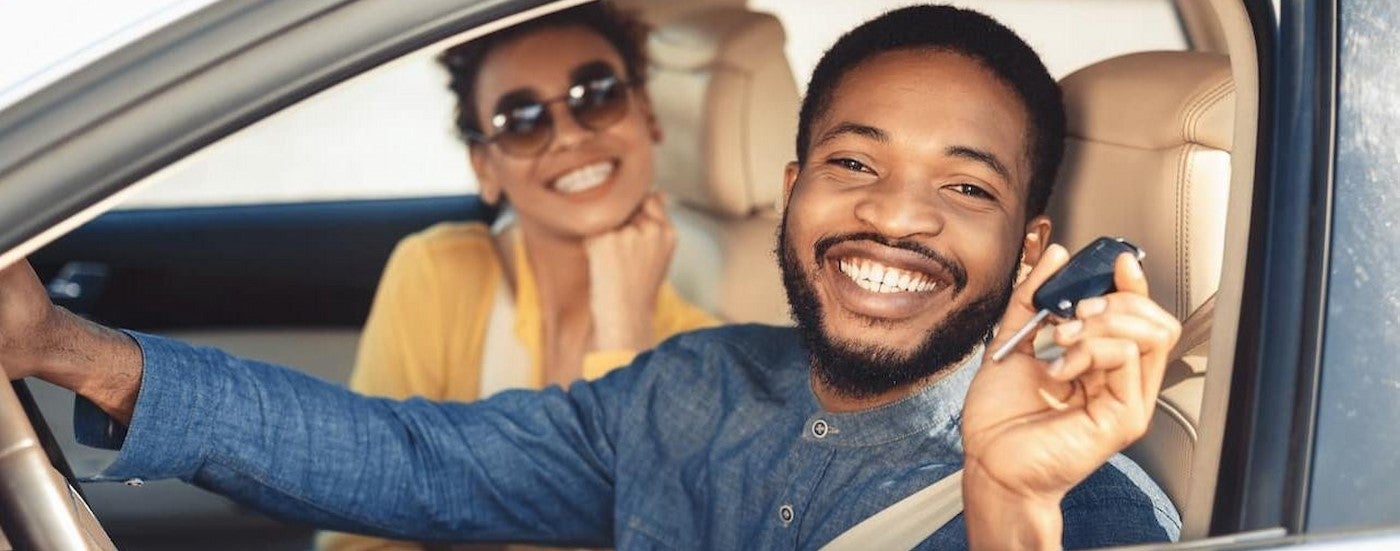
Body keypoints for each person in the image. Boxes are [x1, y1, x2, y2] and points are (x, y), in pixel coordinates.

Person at [0, 5, 1183, 549]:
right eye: (852, 164)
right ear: (792, 190)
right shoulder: (690, 384)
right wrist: (61, 345)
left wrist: (1007, 504)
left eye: (964, 187)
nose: (893, 215)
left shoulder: (1086, 506)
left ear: (1028, 245)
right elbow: (411, 458)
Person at [321, 4, 717, 549]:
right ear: (485, 168)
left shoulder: (705, 356)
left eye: (598, 95)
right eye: (523, 122)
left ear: (646, 114)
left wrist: (623, 332)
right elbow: (360, 527)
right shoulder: (437, 274)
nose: (569, 136)